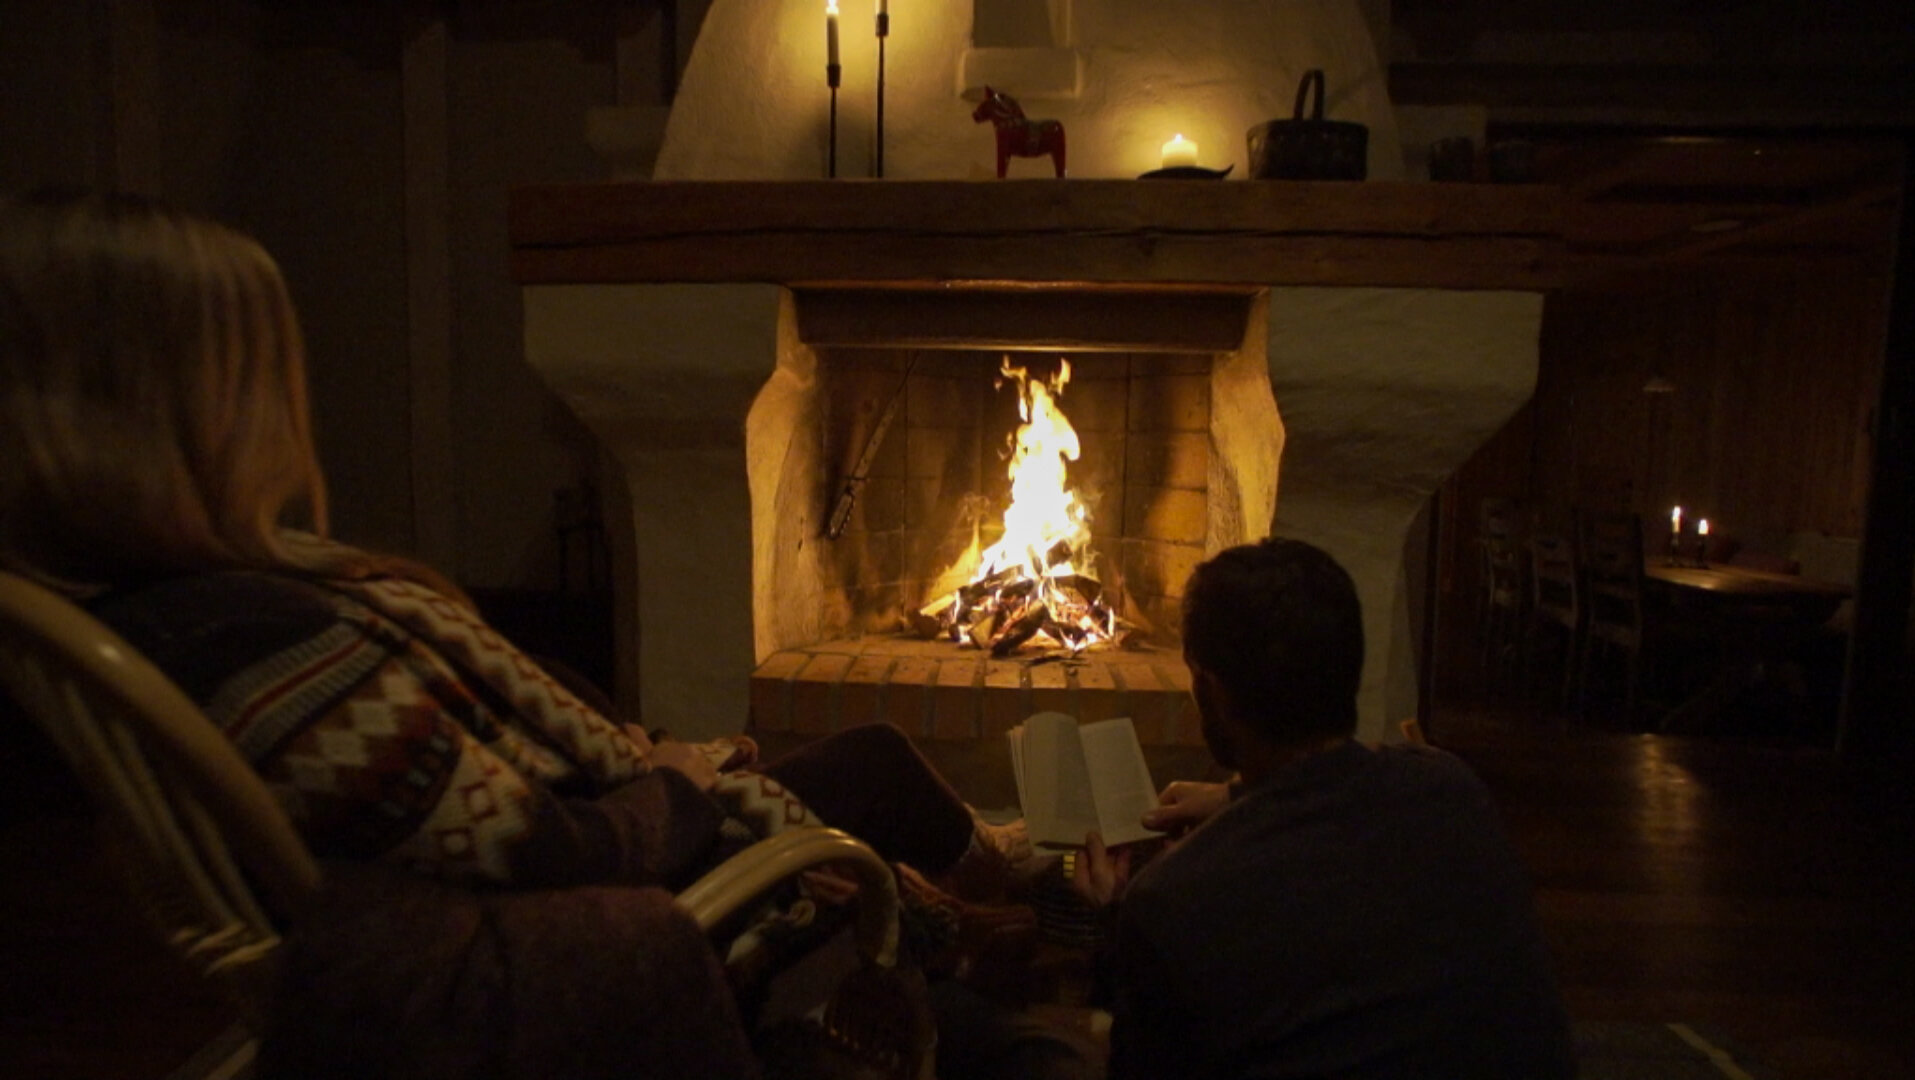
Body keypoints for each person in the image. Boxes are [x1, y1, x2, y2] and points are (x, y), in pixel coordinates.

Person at [1, 189, 1089, 1075]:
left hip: (614, 843)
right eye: (263, 370)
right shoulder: (248, 640)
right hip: (631, 900)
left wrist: (669, 763)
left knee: (879, 763)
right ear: (197, 407)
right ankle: (1023, 951)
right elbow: (534, 846)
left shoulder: (180, 605)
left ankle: (1013, 906)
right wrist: (678, 784)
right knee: (989, 1008)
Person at [1072, 537, 1577, 1080]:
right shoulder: (1454, 789)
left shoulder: (1170, 901)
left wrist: (1111, 921)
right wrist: (1238, 797)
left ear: (1210, 689)